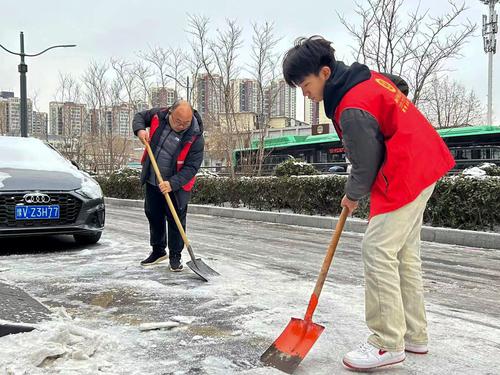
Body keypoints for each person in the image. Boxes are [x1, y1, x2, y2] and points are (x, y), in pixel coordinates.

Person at [282, 36, 455, 371]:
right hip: (425, 162)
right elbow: (398, 86)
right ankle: (414, 335)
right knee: (403, 255)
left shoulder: (351, 105)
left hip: (407, 172)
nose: (304, 93)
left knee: (376, 250)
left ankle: (386, 342)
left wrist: (352, 195)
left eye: (305, 84)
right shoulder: (364, 78)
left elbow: (365, 161)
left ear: (325, 72)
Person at [132, 100, 204, 271]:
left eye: (185, 123)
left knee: (176, 219)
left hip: (176, 185)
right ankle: (158, 251)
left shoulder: (195, 137)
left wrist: (172, 183)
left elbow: (192, 168)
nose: (181, 126)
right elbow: (140, 117)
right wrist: (140, 130)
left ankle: (175, 256)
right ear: (171, 112)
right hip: (153, 178)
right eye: (178, 121)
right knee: (153, 214)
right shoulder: (159, 115)